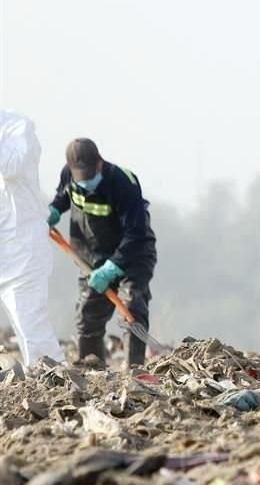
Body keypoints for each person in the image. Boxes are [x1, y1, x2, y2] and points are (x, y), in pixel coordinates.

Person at [48, 138, 157, 366]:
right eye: (80, 178)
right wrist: (54, 210)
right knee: (88, 314)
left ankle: (134, 372)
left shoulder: (123, 183)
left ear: (99, 162)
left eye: (89, 175)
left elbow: (136, 233)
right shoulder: (69, 174)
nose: (85, 182)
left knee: (132, 306)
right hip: (91, 259)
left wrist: (113, 267)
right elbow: (63, 197)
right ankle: (92, 368)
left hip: (132, 257)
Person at [0, 110, 65, 367]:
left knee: (31, 327)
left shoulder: (18, 128)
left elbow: (10, 166)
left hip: (22, 248)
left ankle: (55, 383)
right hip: (5, 246)